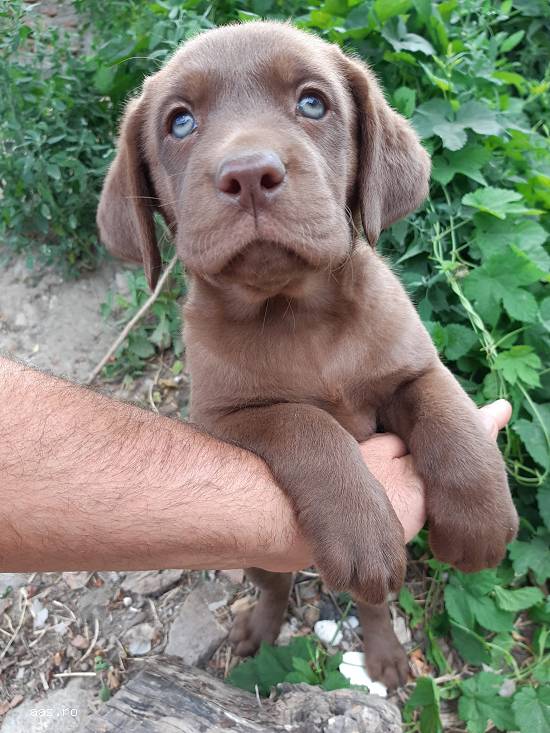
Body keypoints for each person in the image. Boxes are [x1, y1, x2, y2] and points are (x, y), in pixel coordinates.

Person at [0, 355, 511, 574]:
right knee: (276, 556)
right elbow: (221, 422)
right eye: (182, 123)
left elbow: (416, 375)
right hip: (274, 508)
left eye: (313, 119)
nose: (246, 162)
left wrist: (466, 468)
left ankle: (374, 620)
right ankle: (270, 594)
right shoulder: (215, 333)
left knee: (373, 561)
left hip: (377, 500)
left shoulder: (379, 303)